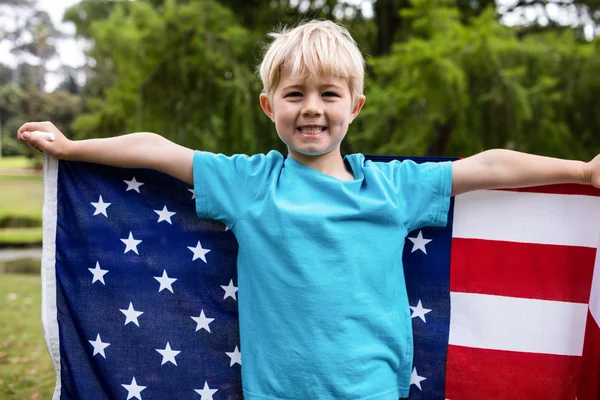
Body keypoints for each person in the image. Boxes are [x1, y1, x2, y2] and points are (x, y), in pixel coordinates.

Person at [17, 19, 600, 400]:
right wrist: (72, 148)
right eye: (295, 94)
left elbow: (487, 167)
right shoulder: (250, 183)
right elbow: (159, 150)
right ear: (270, 107)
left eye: (329, 94)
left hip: (374, 389)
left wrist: (580, 171)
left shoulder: (392, 187)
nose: (312, 108)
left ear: (356, 106)